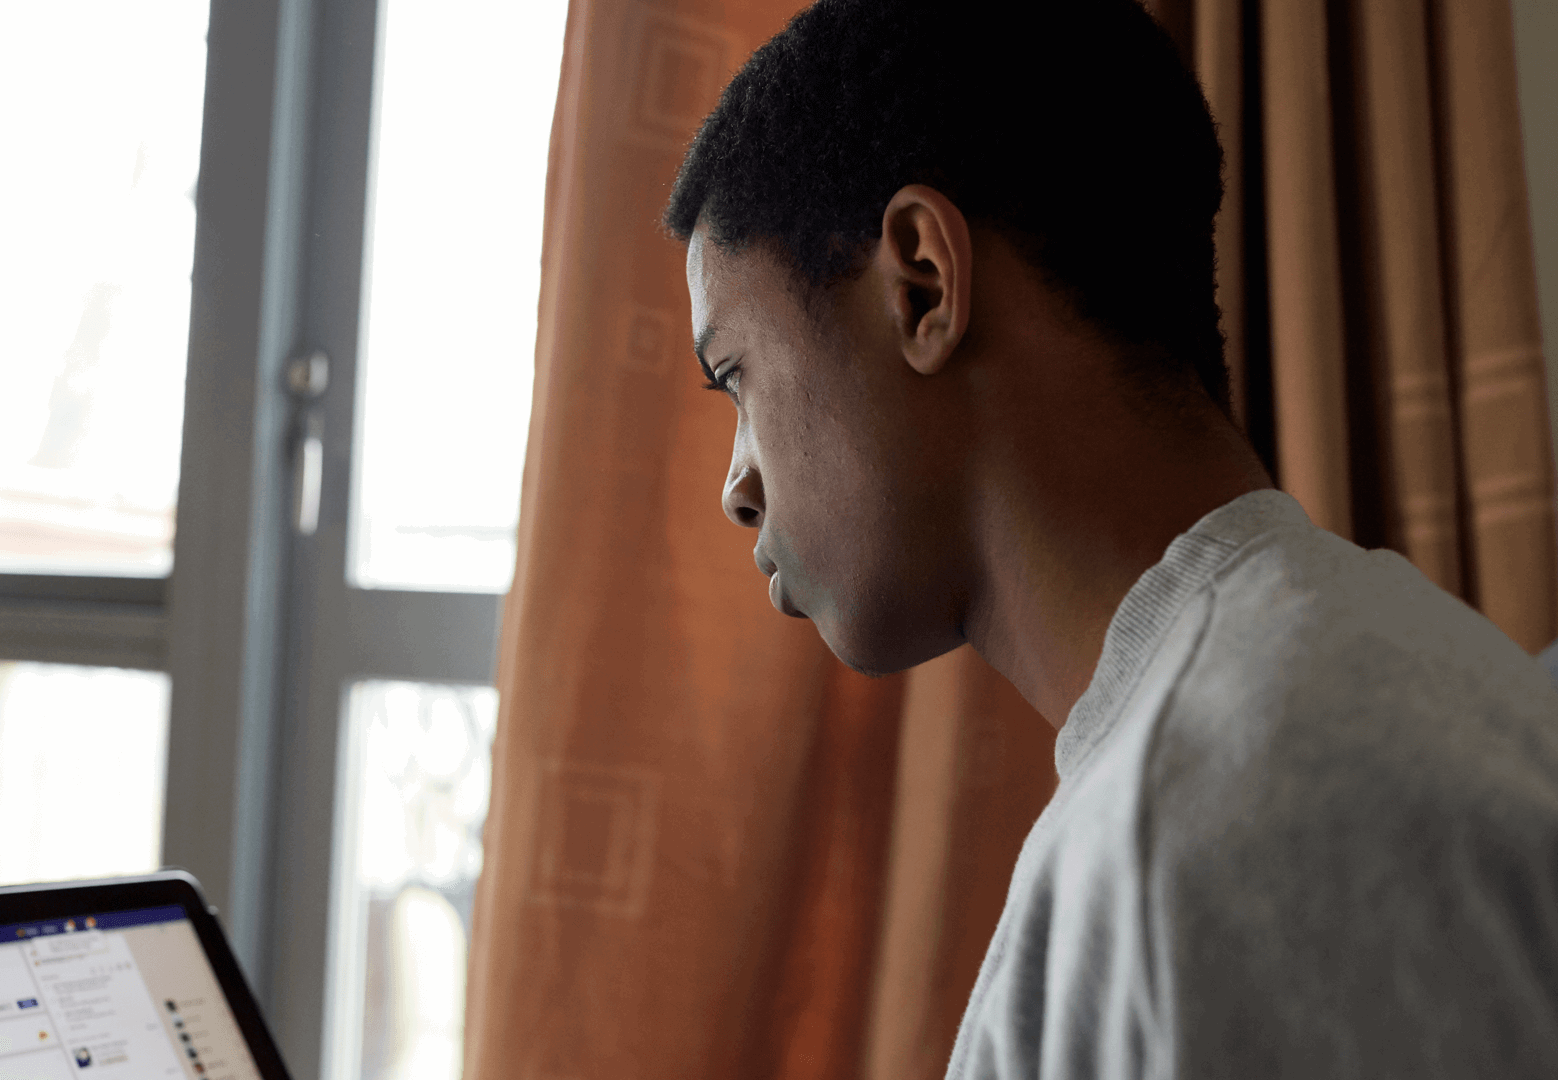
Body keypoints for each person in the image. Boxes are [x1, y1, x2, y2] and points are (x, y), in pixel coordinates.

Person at [664, 0, 1558, 1076]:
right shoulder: (1264, 728)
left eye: (737, 380)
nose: (738, 487)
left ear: (921, 282)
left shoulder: (1235, 803)